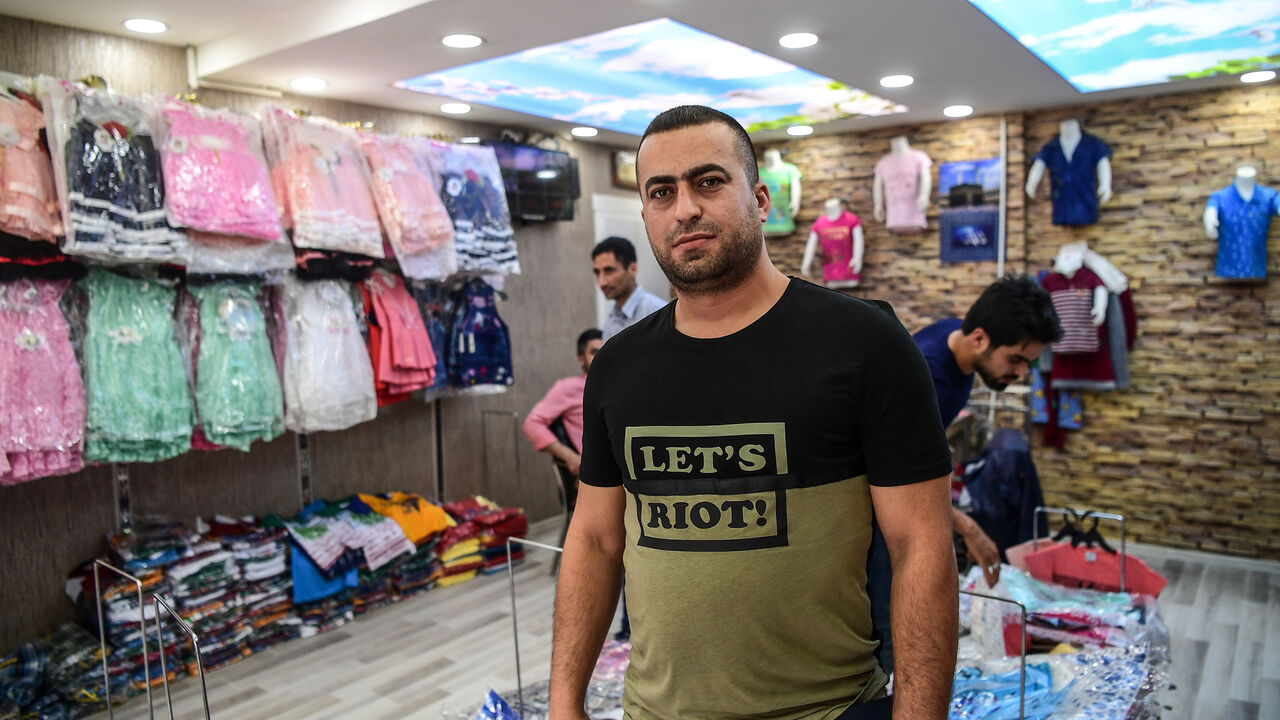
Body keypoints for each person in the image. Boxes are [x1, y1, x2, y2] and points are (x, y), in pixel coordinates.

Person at [550, 105, 958, 720]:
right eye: (661, 192)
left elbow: (921, 544)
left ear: (761, 199)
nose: (684, 207)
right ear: (646, 215)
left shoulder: (864, 342)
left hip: (831, 708)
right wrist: (563, 703)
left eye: (708, 182)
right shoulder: (618, 365)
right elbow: (596, 539)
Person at [866, 275, 1064, 674]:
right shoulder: (925, 376)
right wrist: (968, 529)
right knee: (895, 636)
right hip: (877, 514)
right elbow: (891, 474)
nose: (1022, 373)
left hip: (899, 503)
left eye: (1029, 363)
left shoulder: (952, 338)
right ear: (979, 338)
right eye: (1016, 360)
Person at [522, 329, 603, 477]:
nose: (602, 358)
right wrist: (569, 457)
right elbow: (532, 424)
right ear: (581, 359)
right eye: (595, 352)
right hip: (597, 474)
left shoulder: (618, 387)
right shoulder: (568, 387)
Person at [591, 236, 668, 341]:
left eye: (609, 271)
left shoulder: (657, 312)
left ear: (632, 269)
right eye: (597, 273)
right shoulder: (610, 322)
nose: (602, 282)